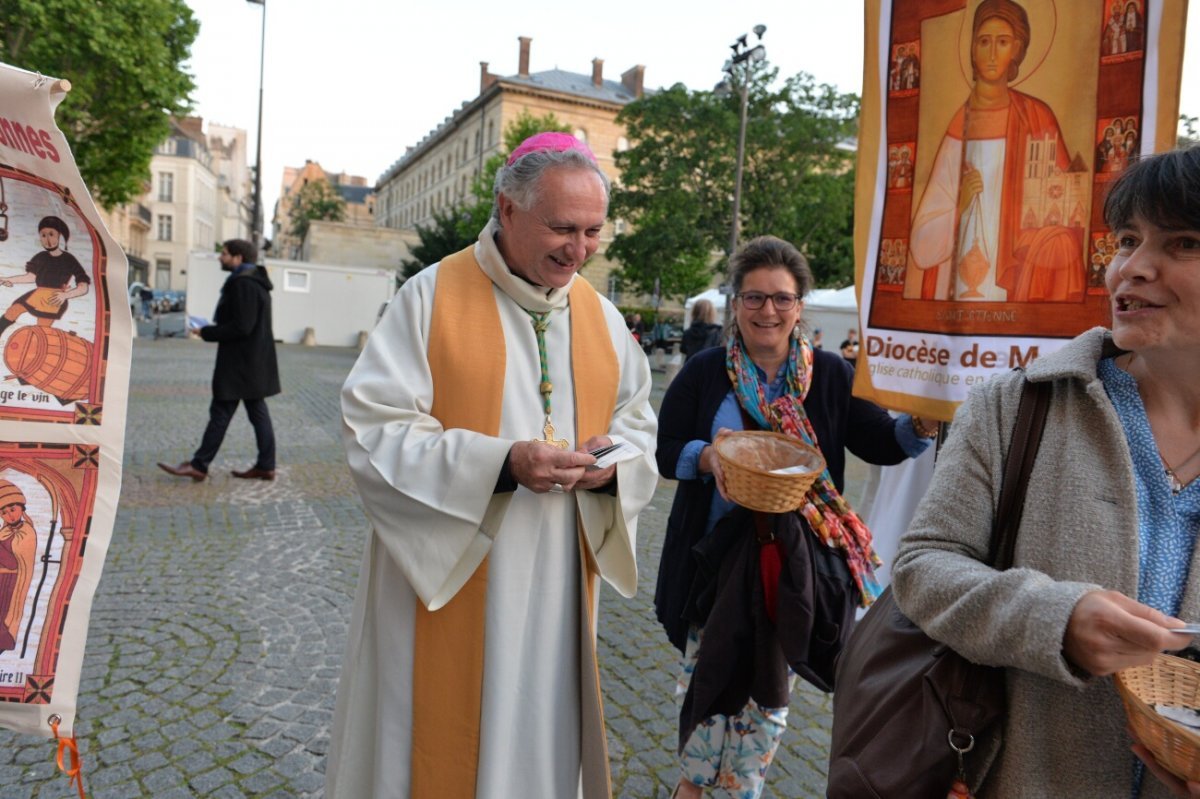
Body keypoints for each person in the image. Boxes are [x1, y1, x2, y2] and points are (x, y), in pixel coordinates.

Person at [326, 132, 658, 799]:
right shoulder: (431, 296)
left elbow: (638, 422)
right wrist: (501, 462)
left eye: (593, 231)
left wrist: (611, 468)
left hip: (560, 579)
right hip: (451, 570)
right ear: (507, 209)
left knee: (538, 729)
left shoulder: (601, 318)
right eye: (562, 227)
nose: (579, 249)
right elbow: (374, 425)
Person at [891, 147, 1200, 797]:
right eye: (1127, 240)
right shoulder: (1018, 405)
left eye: (1183, 242)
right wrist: (1054, 618)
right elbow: (923, 567)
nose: (1134, 267)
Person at [655, 236, 935, 799]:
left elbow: (880, 439)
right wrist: (708, 457)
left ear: (800, 305)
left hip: (793, 569)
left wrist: (922, 424)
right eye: (755, 298)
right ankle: (691, 787)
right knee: (709, 683)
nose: (768, 311)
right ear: (736, 303)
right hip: (714, 562)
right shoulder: (707, 371)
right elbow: (666, 452)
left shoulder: (831, 373)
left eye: (782, 299)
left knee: (768, 700)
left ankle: (739, 790)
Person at [907, 0, 1085, 303]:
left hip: (1020, 275)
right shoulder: (958, 124)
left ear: (1017, 49)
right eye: (983, 42)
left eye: (1002, 42)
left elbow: (1067, 209)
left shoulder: (1038, 118)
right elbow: (922, 247)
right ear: (972, 49)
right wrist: (958, 207)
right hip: (960, 272)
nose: (991, 54)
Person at [157, 239, 279, 482]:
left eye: (224, 254)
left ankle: (200, 465)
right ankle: (265, 465)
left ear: (238, 258)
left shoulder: (244, 283)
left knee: (222, 412)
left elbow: (242, 326)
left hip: (240, 364)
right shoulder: (255, 282)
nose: (220, 258)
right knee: (255, 413)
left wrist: (207, 331)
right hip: (252, 362)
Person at [0, 215, 91, 338]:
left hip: (54, 298)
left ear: (59, 235)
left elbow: (83, 287)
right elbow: (30, 277)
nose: (47, 239)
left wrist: (65, 295)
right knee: (13, 311)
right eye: (43, 235)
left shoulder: (69, 259)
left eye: (51, 234)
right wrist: (8, 279)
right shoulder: (40, 257)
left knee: (41, 331)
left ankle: (33, 353)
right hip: (37, 294)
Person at [0, 480, 36, 653]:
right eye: (4, 513)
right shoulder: (4, 531)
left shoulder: (27, 532)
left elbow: (13, 561)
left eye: (12, 510)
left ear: (21, 508)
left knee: (3, 614)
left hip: (10, 582)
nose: (10, 516)